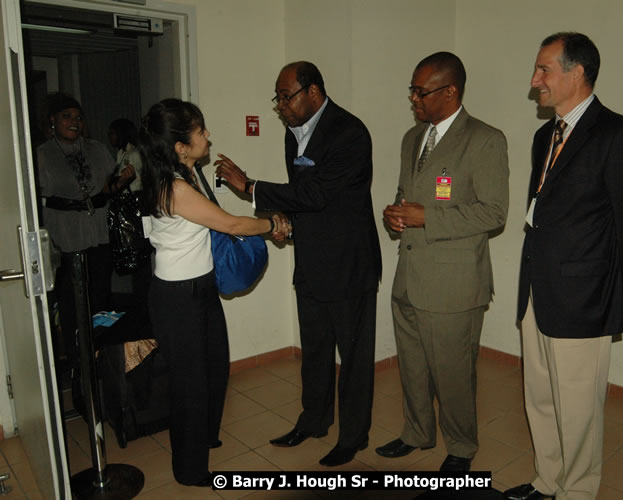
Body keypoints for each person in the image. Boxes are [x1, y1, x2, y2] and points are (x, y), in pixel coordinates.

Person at [505, 33, 623, 500]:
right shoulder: (543, 136)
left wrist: (615, 294)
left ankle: (578, 492)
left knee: (580, 410)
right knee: (542, 401)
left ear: (577, 72)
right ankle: (547, 482)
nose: (534, 81)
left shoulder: (619, 135)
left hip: (585, 301)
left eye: (544, 70)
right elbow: (542, 215)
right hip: (537, 293)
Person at [215, 61, 382, 467]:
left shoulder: (349, 132)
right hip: (310, 261)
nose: (280, 106)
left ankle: (353, 437)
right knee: (316, 351)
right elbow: (300, 196)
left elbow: (319, 195)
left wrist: (250, 186)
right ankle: (314, 420)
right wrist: (286, 225)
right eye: (277, 98)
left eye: (285, 96)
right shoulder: (293, 135)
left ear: (313, 92)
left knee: (354, 358)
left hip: (348, 265)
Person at [138, 98, 286, 486]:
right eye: (200, 131)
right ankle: (190, 470)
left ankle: (204, 436)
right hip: (177, 296)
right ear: (180, 146)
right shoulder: (175, 187)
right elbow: (233, 225)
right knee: (190, 383)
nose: (208, 137)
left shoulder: (186, 173)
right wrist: (272, 222)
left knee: (214, 366)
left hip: (199, 287)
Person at [379, 51, 509, 472]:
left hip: (454, 284)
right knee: (413, 365)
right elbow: (408, 194)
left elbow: (494, 213)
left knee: (454, 374)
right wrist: (398, 214)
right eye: (412, 90)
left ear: (450, 91)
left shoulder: (486, 139)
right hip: (409, 276)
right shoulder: (411, 138)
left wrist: (425, 216)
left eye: (422, 91)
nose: (414, 99)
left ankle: (461, 447)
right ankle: (417, 433)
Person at [37, 93, 132, 368]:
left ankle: (101, 352)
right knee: (69, 297)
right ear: (52, 120)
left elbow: (105, 191)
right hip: (64, 234)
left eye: (78, 117)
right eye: (67, 116)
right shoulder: (41, 154)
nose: (74, 122)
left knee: (99, 292)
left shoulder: (97, 149)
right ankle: (76, 357)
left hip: (97, 230)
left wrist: (122, 182)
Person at [108, 118, 142, 192]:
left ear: (121, 133)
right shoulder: (121, 153)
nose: (109, 137)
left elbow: (138, 184)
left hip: (131, 199)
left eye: (112, 133)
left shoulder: (134, 153)